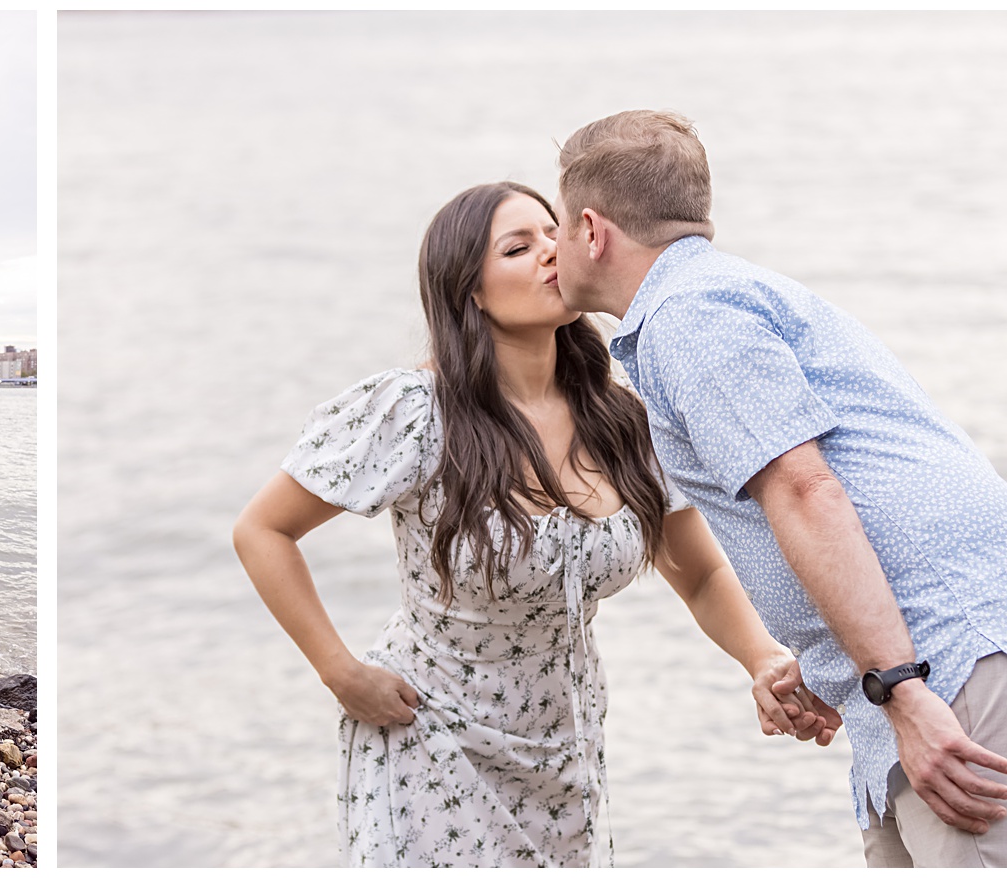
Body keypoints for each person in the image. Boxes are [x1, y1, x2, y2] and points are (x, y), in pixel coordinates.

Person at [232, 181, 837, 867]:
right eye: (519, 248)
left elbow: (695, 574)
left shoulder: (621, 420)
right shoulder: (414, 412)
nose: (550, 253)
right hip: (428, 738)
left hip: (563, 753)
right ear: (472, 292)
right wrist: (340, 673)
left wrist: (763, 660)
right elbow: (263, 531)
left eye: (554, 235)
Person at [552, 109, 1007, 868]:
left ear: (591, 228)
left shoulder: (690, 316)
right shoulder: (714, 297)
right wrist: (840, 666)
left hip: (949, 656)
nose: (552, 248)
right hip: (918, 661)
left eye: (554, 225)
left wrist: (901, 687)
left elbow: (808, 491)